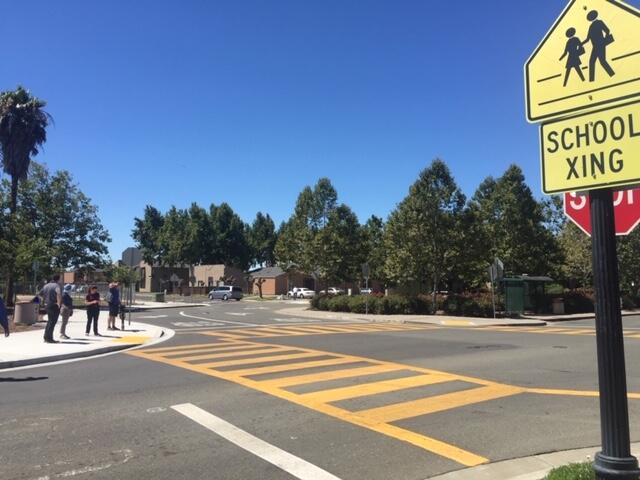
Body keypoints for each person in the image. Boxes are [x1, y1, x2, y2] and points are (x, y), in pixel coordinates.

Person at [583, 10, 615, 82]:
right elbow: (588, 39)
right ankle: (591, 80)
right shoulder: (591, 26)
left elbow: (607, 30)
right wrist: (581, 44)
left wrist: (604, 40)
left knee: (602, 61)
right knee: (592, 61)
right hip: (595, 47)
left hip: (600, 45)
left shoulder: (599, 22)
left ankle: (612, 74)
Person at [39, 274, 62, 344]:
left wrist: (44, 300)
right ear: (58, 279)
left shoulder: (46, 285)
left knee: (50, 321)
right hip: (54, 305)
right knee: (52, 322)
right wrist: (59, 304)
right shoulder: (57, 286)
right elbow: (58, 295)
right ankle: (49, 338)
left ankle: (46, 337)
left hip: (47, 305)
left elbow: (40, 294)